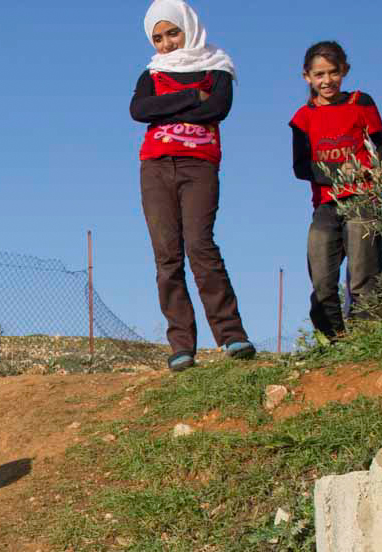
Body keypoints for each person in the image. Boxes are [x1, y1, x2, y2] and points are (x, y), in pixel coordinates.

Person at [131, 0, 255, 373]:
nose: (166, 43)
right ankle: (181, 346)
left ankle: (232, 336)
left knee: (200, 246)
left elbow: (216, 109)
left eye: (173, 33)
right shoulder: (150, 73)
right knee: (167, 257)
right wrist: (189, 97)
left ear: (189, 27)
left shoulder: (217, 66)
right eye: (158, 37)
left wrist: (166, 106)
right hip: (155, 168)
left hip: (198, 167)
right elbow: (139, 111)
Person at [289, 41, 382, 341]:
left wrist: (378, 171)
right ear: (307, 77)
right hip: (326, 204)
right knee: (321, 276)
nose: (327, 81)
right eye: (319, 74)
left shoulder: (361, 103)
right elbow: (300, 167)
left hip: (362, 198)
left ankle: (365, 338)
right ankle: (333, 340)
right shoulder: (302, 118)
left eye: (333, 73)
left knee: (363, 273)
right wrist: (336, 173)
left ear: (344, 71)